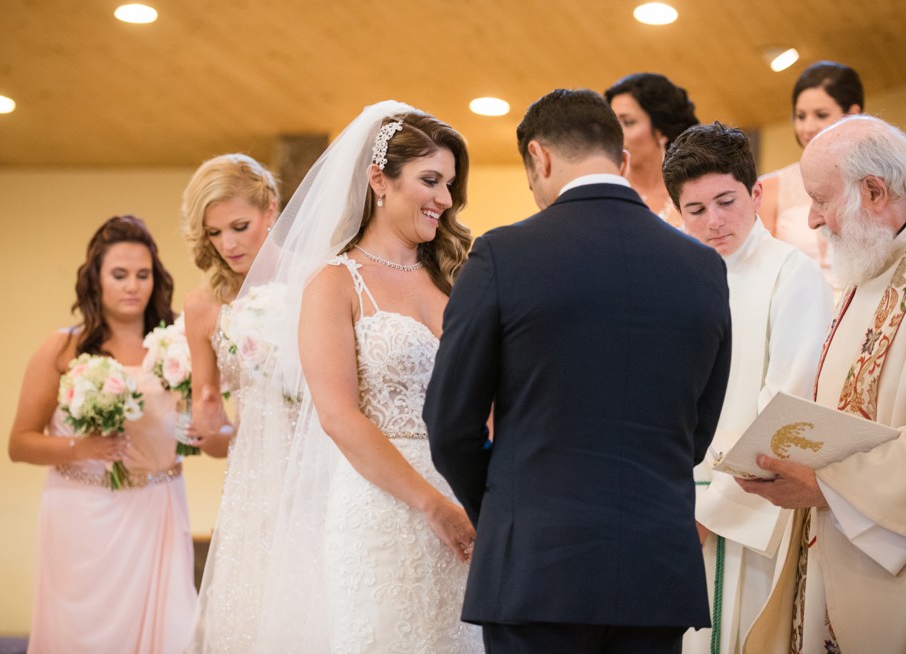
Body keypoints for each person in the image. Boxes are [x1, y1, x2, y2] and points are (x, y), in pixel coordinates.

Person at [424, 88, 732, 654]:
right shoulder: (704, 266)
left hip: (535, 571)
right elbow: (696, 429)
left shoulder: (502, 256)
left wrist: (503, 508)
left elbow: (449, 424)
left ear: (539, 157)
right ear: (620, 159)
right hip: (654, 572)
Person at [245, 101, 483, 652]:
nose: (445, 199)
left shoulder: (456, 279)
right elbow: (338, 416)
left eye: (450, 184)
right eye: (430, 180)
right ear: (380, 180)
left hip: (470, 506)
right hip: (385, 509)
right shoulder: (333, 282)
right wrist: (431, 505)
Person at [738, 115, 906, 654]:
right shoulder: (878, 244)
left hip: (903, 554)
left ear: (875, 191)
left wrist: (827, 485)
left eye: (820, 199)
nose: (812, 219)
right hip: (837, 538)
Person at [661, 122, 834, 654]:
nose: (714, 221)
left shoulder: (792, 274)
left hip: (742, 513)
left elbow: (787, 408)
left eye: (726, 200)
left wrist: (708, 513)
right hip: (671, 505)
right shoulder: (673, 277)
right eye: (696, 209)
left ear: (756, 193)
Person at [8, 215, 196, 653]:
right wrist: (83, 447)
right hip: (81, 514)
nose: (133, 285)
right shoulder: (62, 348)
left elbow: (205, 419)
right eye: (119, 274)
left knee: (170, 631)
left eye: (143, 275)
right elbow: (20, 443)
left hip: (158, 508)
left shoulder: (175, 344)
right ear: (96, 280)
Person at [179, 154, 291, 654]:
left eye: (240, 226)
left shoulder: (318, 281)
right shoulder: (204, 306)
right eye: (215, 233)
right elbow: (218, 437)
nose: (228, 244)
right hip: (253, 485)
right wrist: (210, 428)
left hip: (324, 466)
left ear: (271, 209)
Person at [759, 61, 864, 282]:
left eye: (821, 115)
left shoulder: (873, 183)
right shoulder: (769, 187)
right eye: (801, 116)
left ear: (853, 114)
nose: (807, 128)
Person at [605, 72, 699, 228]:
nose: (616, 133)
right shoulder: (606, 191)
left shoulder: (693, 191)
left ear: (661, 131)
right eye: (612, 123)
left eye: (628, 123)